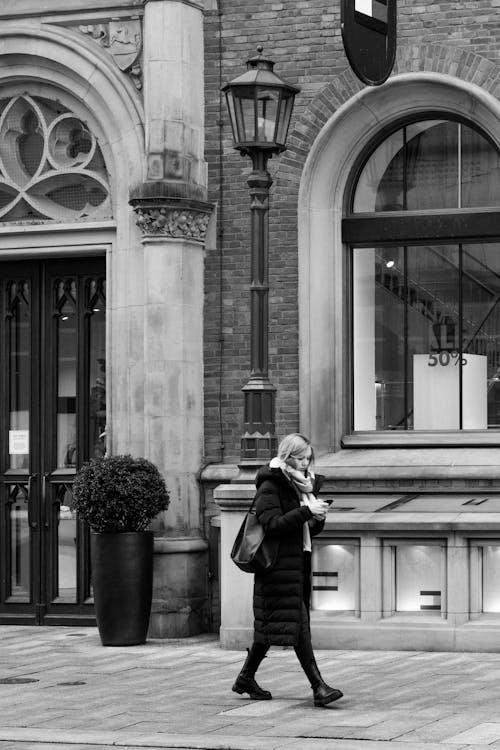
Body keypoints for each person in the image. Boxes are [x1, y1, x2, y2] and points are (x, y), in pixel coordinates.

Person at [232, 433, 343, 707]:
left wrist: (316, 518)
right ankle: (319, 687)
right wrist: (306, 513)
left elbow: (303, 530)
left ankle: (245, 678)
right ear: (288, 457)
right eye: (302, 458)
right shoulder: (272, 485)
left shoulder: (303, 487)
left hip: (296, 565)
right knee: (297, 625)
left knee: (271, 628)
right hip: (276, 569)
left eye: (309, 458)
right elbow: (273, 525)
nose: (306, 463)